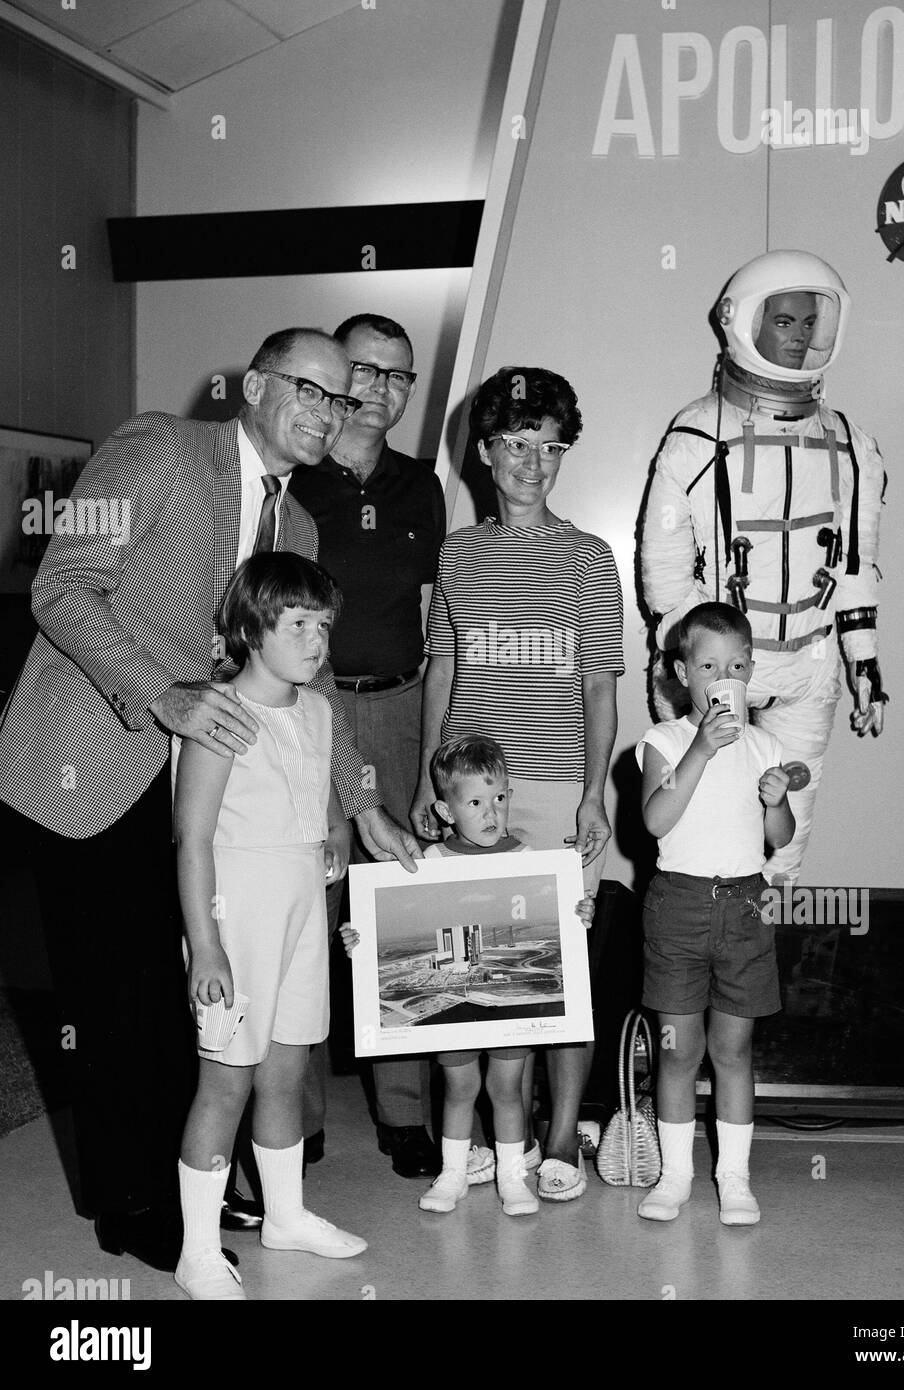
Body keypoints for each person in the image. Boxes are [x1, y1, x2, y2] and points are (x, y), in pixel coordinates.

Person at [0, 328, 416, 1272]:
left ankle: (199, 1187)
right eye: (308, 390)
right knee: (120, 998)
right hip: (93, 760)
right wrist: (159, 689)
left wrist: (360, 798)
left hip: (207, 785)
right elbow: (64, 588)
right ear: (257, 386)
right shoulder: (159, 449)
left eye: (343, 399)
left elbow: (303, 689)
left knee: (203, 996)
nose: (327, 412)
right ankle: (135, 1205)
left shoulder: (298, 529)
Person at [410, 366, 624, 1202]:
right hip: (469, 792)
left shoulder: (586, 557)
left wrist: (591, 792)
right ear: (485, 454)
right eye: (516, 446)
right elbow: (445, 666)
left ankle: (560, 1134)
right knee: (474, 966)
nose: (533, 464)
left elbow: (600, 683)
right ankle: (487, 1141)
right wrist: (434, 775)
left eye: (550, 448)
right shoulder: (457, 552)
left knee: (558, 969)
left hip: (557, 786)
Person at [640, 250, 887, 883]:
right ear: (742, 323)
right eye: (784, 321)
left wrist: (865, 659)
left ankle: (762, 952)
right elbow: (665, 575)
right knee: (700, 819)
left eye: (809, 322)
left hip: (809, 663)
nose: (800, 335)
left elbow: (857, 561)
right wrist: (701, 663)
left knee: (787, 829)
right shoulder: (697, 436)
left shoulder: (851, 444)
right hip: (719, 664)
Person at [173, 553, 367, 1299]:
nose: (316, 642)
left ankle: (284, 1213)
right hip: (235, 914)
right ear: (254, 629)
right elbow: (192, 839)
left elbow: (317, 797)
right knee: (225, 1083)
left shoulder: (317, 709)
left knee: (287, 1070)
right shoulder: (217, 715)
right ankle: (197, 1249)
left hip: (299, 910)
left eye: (323, 626)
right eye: (298, 625)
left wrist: (335, 834)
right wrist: (207, 947)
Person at [290, 312, 445, 1179]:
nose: (381, 390)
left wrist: (436, 740)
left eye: (400, 376)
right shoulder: (294, 478)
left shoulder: (423, 484)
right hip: (307, 717)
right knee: (308, 911)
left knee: (399, 920)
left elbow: (438, 617)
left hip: (398, 710)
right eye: (367, 370)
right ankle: (299, 1113)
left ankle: (404, 1114)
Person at [635, 602, 793, 1224]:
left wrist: (777, 801)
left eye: (734, 666)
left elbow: (776, 836)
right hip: (678, 904)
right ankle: (675, 1175)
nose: (721, 677)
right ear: (682, 672)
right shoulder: (664, 741)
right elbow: (654, 819)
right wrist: (699, 748)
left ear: (750, 672)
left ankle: (734, 1176)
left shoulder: (766, 744)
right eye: (707, 666)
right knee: (677, 1049)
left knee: (734, 1048)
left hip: (746, 905)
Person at [415, 735, 595, 1217]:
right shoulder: (430, 863)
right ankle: (452, 1174)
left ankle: (513, 1178)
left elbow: (551, 920)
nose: (491, 812)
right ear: (446, 810)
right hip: (454, 997)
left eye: (500, 798)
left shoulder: (531, 858)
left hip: (510, 998)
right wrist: (359, 937)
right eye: (475, 802)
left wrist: (577, 911)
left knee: (506, 1089)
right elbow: (401, 921)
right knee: (459, 1087)